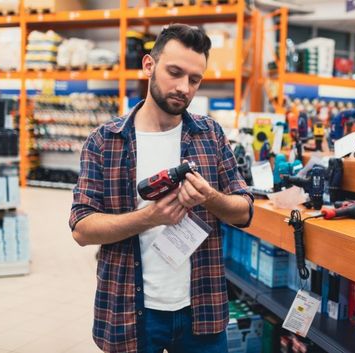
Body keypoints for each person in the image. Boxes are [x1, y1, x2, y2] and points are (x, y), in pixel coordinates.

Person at [69, 24, 253, 353]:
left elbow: (244, 211)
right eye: (174, 72)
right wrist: (150, 217)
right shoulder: (105, 141)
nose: (184, 87)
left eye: (194, 80)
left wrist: (210, 197)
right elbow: (82, 229)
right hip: (130, 310)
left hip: (202, 309)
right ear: (149, 66)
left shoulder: (210, 135)